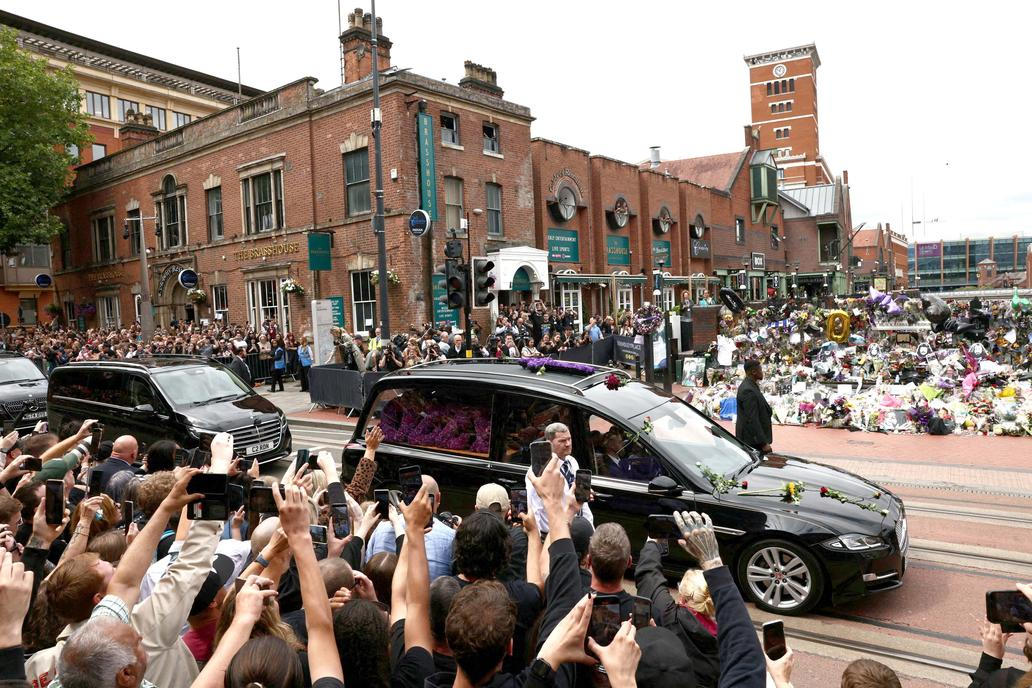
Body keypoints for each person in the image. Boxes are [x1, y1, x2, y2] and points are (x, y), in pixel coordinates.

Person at [525, 422, 593, 534]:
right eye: (562, 441)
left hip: (578, 528)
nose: (568, 444)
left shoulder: (572, 461)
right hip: (554, 532)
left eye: (569, 439)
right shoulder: (538, 471)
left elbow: (579, 499)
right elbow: (534, 507)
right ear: (549, 443)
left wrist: (589, 525)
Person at [736, 359, 773, 453]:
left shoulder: (751, 386)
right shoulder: (748, 390)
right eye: (760, 370)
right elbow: (752, 418)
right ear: (753, 372)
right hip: (752, 441)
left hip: (753, 440)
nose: (762, 372)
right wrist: (763, 443)